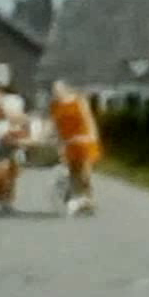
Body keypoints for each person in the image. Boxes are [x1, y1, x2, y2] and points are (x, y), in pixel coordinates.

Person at [49, 80, 102, 215]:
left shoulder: (79, 101)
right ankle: (79, 200)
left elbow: (88, 119)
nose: (56, 92)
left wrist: (92, 135)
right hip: (68, 142)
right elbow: (55, 125)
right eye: (54, 90)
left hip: (84, 141)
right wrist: (57, 142)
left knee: (85, 173)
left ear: (66, 89)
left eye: (58, 90)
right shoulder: (55, 105)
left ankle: (88, 199)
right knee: (73, 173)